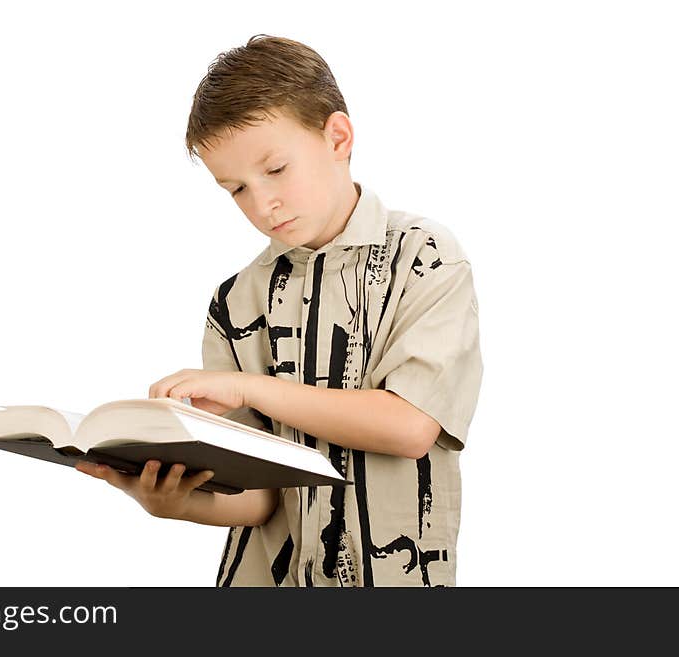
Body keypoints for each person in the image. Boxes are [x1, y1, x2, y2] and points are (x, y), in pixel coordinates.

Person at [76, 34, 483, 587]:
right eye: (236, 188)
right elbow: (260, 501)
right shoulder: (235, 301)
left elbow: (411, 426)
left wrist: (249, 389)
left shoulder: (425, 258)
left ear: (337, 137)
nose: (261, 203)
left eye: (276, 169)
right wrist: (172, 503)